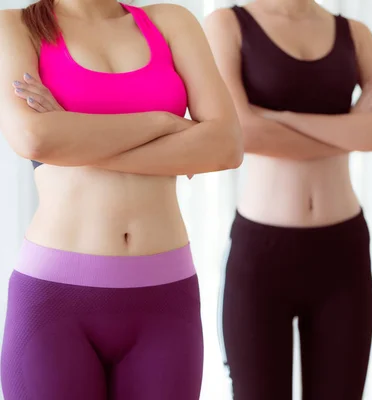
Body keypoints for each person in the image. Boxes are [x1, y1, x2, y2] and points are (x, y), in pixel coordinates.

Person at [0, 0, 242, 398]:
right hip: (56, 301)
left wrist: (75, 138)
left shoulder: (171, 21)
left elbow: (226, 145)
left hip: (165, 300)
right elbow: (34, 139)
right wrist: (162, 123)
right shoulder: (19, 26)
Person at [203, 0, 372, 398]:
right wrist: (351, 127)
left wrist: (280, 118)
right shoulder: (226, 24)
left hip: (342, 253)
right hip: (262, 255)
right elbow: (241, 134)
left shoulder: (355, 34)